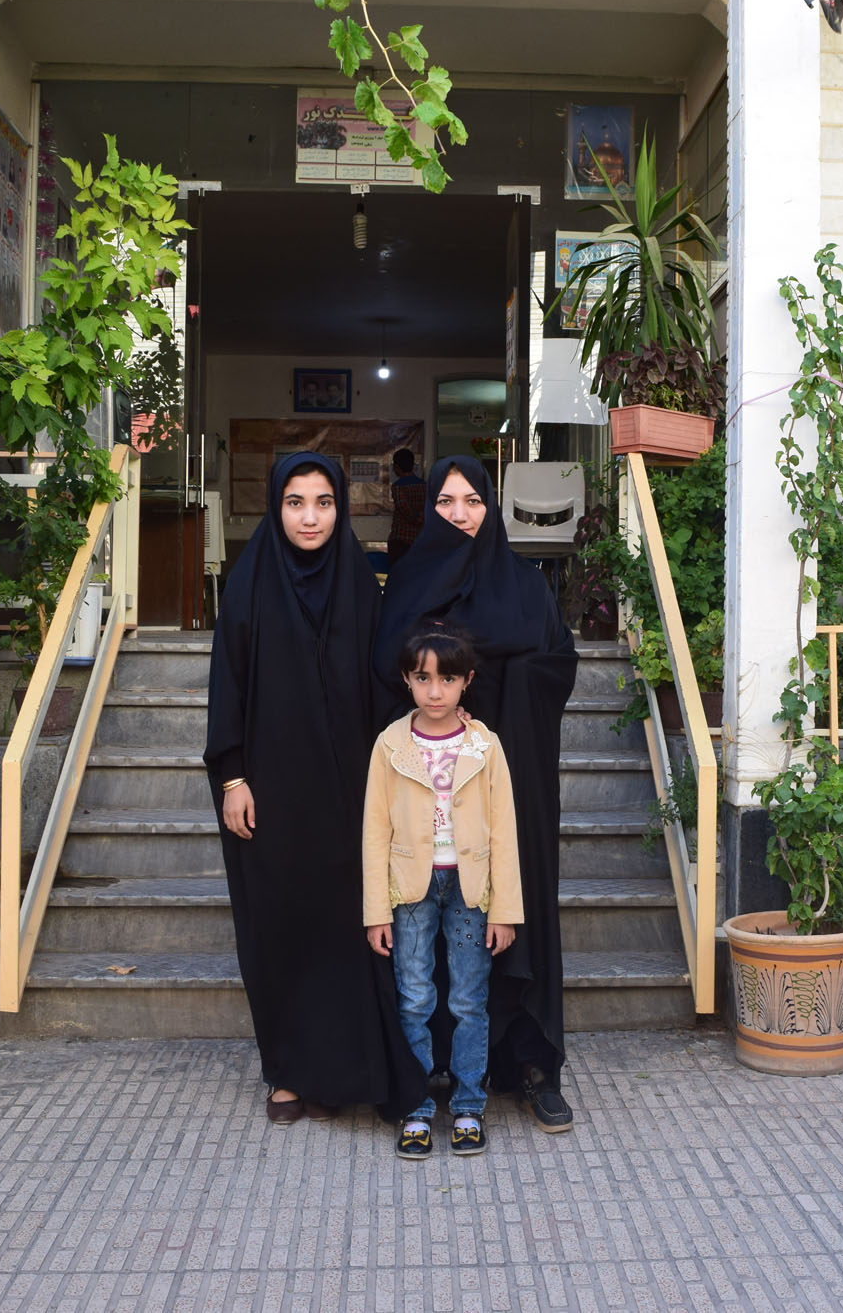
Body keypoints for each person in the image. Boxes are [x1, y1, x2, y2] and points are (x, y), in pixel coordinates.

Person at [204, 452, 426, 1125]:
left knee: (345, 930)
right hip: (270, 795)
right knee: (279, 929)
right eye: (295, 502)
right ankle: (286, 1072)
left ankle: (347, 1071)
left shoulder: (358, 583)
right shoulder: (248, 586)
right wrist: (232, 777)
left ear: (341, 507)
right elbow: (227, 687)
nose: (310, 517)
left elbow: (384, 684)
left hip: (348, 794)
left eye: (324, 502)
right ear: (277, 507)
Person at [375, 456, 580, 1132]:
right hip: (426, 794)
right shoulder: (407, 584)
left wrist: (502, 689)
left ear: (491, 506)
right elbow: (386, 668)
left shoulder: (524, 583)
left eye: (471, 500)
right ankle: (429, 1070)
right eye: (444, 501)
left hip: (509, 772)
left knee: (509, 914)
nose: (459, 514)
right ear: (427, 508)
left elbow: (557, 662)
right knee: (420, 943)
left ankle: (529, 1065)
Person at [363, 621, 522, 1160]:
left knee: (469, 999)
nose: (435, 691)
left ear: (467, 681)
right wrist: (374, 910)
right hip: (409, 887)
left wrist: (505, 910)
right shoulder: (390, 744)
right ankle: (416, 1107)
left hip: (471, 887)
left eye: (447, 679)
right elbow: (374, 830)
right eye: (423, 678)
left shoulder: (484, 745)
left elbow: (504, 831)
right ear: (407, 680)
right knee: (414, 997)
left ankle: (469, 1105)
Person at [385, 447, 425, 567]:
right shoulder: (424, 485)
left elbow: (405, 510)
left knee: (398, 573)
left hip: (401, 539)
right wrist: (420, 518)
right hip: (419, 538)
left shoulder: (397, 487)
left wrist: (415, 518)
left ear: (397, 467)